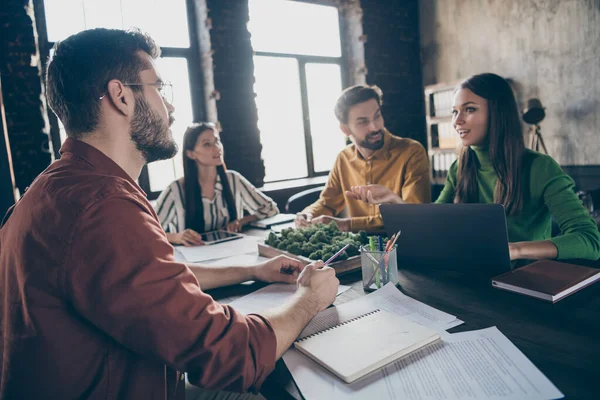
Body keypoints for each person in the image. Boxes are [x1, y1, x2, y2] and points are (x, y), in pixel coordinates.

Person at [0, 28, 339, 400]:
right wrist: (310, 298)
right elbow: (230, 353)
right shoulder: (103, 206)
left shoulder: (57, 187)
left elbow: (146, 278)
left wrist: (251, 270)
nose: (171, 107)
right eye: (160, 90)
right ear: (121, 97)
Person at [347, 73, 600, 261]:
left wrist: (514, 249)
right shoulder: (461, 167)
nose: (457, 121)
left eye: (469, 110)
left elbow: (589, 240)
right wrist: (393, 200)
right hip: (469, 278)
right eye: (455, 111)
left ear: (497, 114)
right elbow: (434, 222)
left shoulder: (540, 168)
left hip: (525, 284)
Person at [295, 84, 431, 232]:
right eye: (363, 122)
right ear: (345, 129)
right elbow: (327, 203)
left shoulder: (412, 152)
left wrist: (347, 224)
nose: (374, 127)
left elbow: (413, 214)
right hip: (359, 249)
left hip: (403, 245)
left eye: (377, 116)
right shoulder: (343, 158)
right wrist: (307, 214)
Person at [156, 122, 279, 246]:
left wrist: (241, 221)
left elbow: (270, 208)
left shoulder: (233, 179)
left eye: (217, 141)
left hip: (232, 253)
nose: (217, 148)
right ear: (190, 154)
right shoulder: (175, 190)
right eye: (207, 144)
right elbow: (148, 231)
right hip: (191, 260)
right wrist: (177, 237)